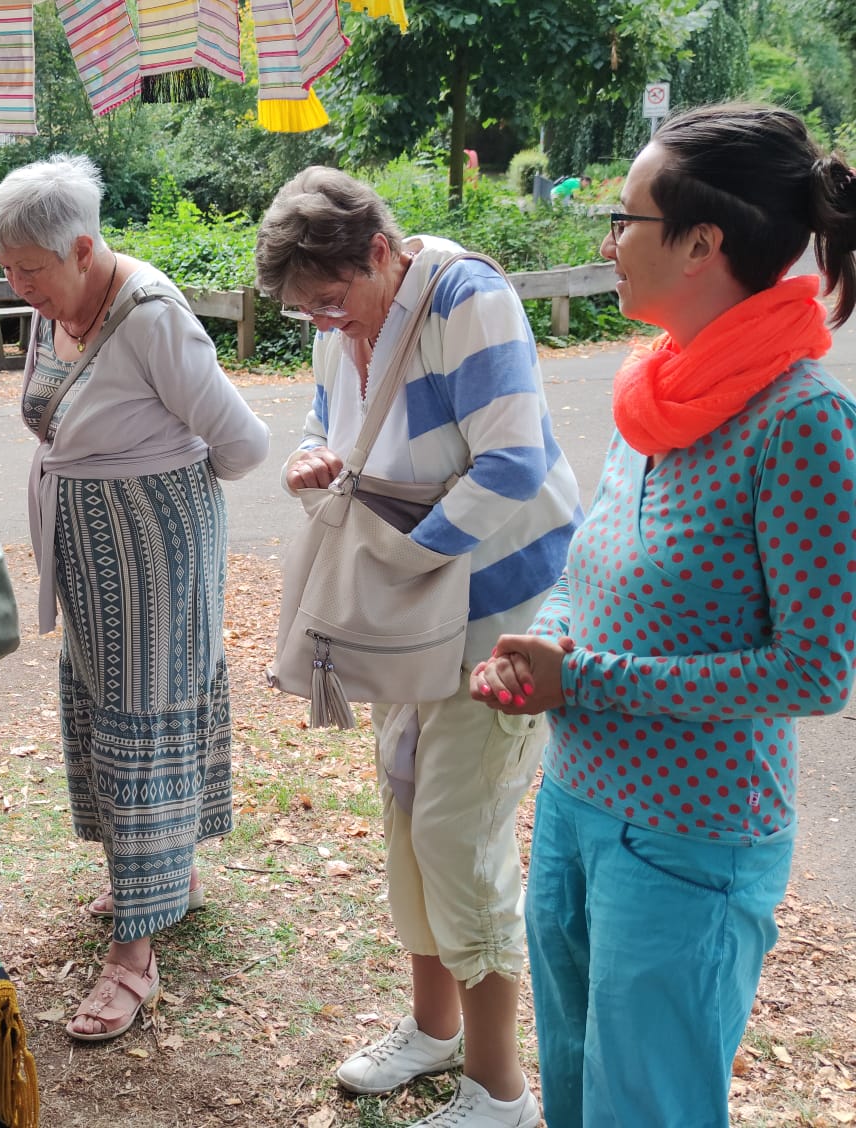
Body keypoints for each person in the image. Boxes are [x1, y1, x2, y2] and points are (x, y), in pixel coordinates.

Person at [471, 103, 856, 1128]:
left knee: (648, 1107)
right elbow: (588, 568)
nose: (607, 243)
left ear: (700, 244)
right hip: (576, 801)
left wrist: (584, 680)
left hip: (689, 841)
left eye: (624, 219)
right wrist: (546, 644)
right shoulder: (660, 389)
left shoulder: (803, 424)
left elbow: (815, 672)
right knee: (575, 1087)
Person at [255, 167, 581, 1128]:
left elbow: (514, 460)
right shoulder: (342, 319)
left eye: (332, 300)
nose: (327, 323)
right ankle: (435, 1030)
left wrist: (406, 558)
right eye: (307, 313)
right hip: (405, 600)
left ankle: (500, 1089)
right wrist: (312, 457)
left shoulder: (466, 298)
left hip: (499, 599)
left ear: (381, 252)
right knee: (405, 807)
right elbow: (327, 423)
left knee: (456, 829)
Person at [0, 155, 269, 1042]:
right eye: (6, 268)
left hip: (153, 551)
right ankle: (163, 876)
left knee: (141, 720)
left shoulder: (151, 317)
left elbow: (243, 444)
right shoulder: (58, 305)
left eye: (29, 268)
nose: (18, 286)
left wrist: (151, 488)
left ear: (83, 247)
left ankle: (134, 958)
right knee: (107, 711)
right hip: (93, 550)